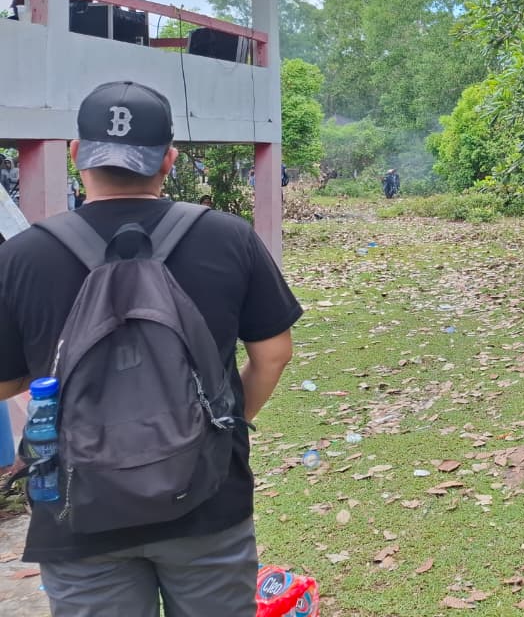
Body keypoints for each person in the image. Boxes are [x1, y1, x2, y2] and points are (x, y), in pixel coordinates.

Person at [0, 80, 301, 616]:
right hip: (207, 499)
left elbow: (5, 381)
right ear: (168, 158)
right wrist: (220, 426)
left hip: (76, 510)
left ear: (76, 155)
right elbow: (274, 353)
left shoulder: (22, 257)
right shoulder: (228, 237)